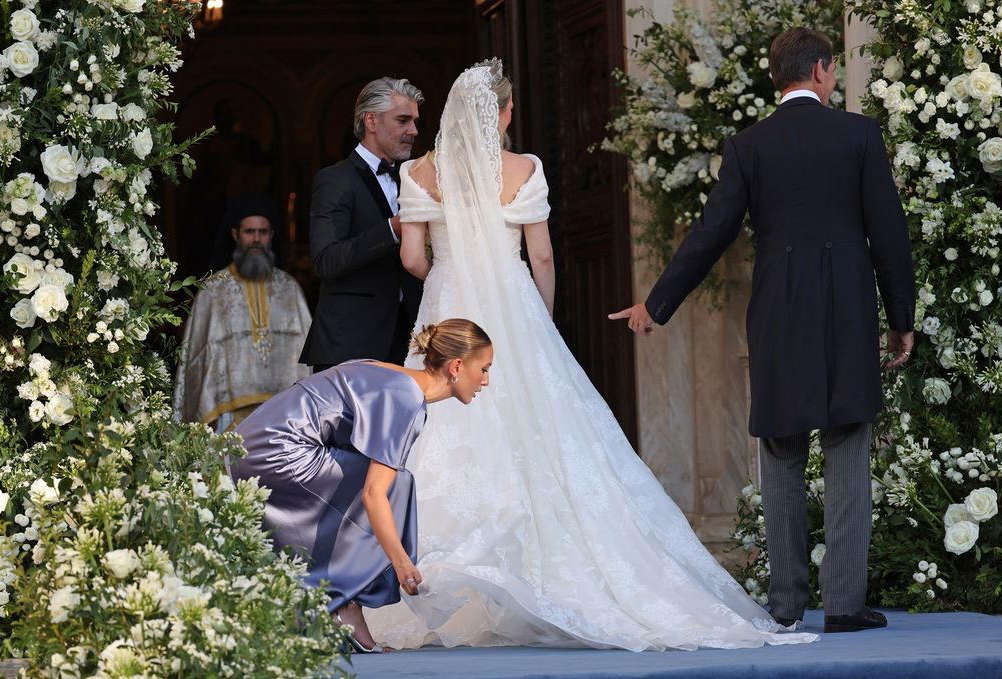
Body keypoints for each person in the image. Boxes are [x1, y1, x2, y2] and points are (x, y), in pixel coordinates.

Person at [363, 59, 817, 651]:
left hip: (447, 311)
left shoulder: (419, 172)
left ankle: (423, 581)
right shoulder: (525, 168)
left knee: (436, 427)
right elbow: (542, 257)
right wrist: (537, 317)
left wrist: (449, 275)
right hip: (513, 312)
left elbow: (411, 259)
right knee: (549, 434)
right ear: (503, 114)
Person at [610, 27, 915, 633]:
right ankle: (844, 605)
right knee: (847, 442)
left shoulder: (748, 145)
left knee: (780, 447)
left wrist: (656, 304)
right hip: (847, 309)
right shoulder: (858, 134)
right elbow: (889, 232)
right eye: (832, 69)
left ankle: (785, 604)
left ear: (776, 76)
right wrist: (901, 320)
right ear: (822, 70)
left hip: (779, 309)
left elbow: (710, 233)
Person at [232, 319, 493, 653]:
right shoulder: (406, 398)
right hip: (276, 452)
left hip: (248, 445)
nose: (486, 381)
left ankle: (337, 601)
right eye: (484, 369)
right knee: (395, 485)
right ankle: (339, 603)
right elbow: (373, 494)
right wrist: (402, 563)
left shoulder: (391, 376)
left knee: (379, 483)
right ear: (456, 367)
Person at [300, 77, 425, 372]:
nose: (414, 131)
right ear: (371, 121)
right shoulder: (335, 179)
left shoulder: (415, 178)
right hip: (352, 341)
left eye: (415, 121)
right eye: (403, 120)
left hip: (412, 341)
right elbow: (325, 260)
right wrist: (392, 229)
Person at [174, 194, 312, 433]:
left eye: (263, 232)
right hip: (229, 418)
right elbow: (196, 359)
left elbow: (307, 357)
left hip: (284, 416)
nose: (256, 239)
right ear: (235, 235)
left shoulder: (289, 288)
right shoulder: (213, 291)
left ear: (271, 235)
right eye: (249, 232)